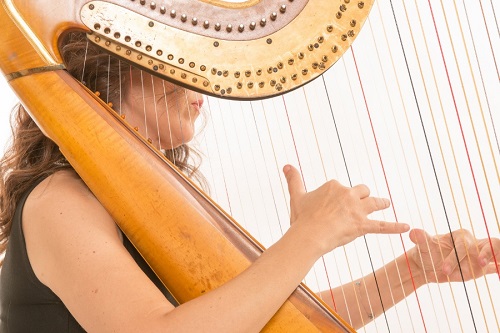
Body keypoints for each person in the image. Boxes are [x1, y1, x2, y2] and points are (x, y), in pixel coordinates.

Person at [0, 32, 498, 332]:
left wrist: (414, 272)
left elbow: (263, 323)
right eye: (180, 60)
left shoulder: (146, 203)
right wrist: (306, 239)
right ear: (118, 66)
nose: (203, 83)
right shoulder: (58, 203)